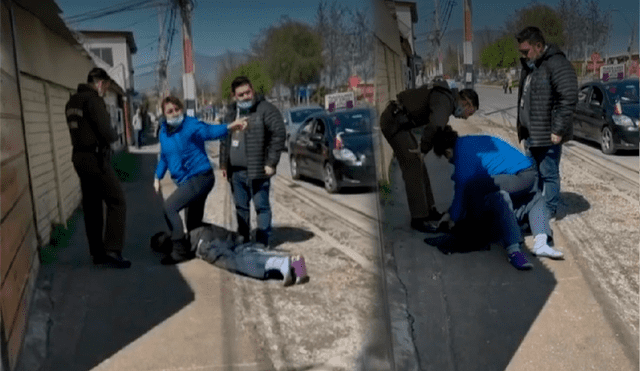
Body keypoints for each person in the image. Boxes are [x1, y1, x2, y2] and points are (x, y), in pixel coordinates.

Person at [431, 127, 564, 271]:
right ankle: (541, 242)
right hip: (530, 176)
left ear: (447, 151)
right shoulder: (467, 142)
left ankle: (514, 250)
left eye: (446, 157)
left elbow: (461, 190)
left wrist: (452, 218)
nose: (449, 160)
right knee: (536, 199)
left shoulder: (462, 156)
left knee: (496, 195)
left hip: (520, 177)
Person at [154, 96, 247, 265]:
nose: (175, 113)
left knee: (170, 207)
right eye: (170, 111)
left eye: (177, 109)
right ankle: (234, 239)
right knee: (193, 225)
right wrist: (157, 176)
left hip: (200, 177)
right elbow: (164, 158)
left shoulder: (190, 124)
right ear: (164, 114)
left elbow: (209, 132)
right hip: (187, 182)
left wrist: (229, 127)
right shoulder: (163, 133)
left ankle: (179, 252)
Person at [379, 80, 479, 233]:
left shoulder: (446, 100)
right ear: (466, 103)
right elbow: (436, 125)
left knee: (419, 162)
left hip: (401, 122)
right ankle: (418, 218)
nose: (466, 118)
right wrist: (424, 147)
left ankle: (429, 210)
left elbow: (441, 129)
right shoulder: (445, 100)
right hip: (393, 122)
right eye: (469, 113)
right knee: (412, 164)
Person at [65, 67, 130, 268]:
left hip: (79, 157)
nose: (104, 91)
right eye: (106, 86)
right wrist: (113, 134)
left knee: (92, 206)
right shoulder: (92, 100)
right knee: (117, 200)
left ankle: (97, 253)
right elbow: (107, 133)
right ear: (100, 83)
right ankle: (112, 249)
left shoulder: (72, 101)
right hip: (95, 158)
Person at [515, 26, 578, 218]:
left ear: (539, 45)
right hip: (531, 134)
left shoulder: (557, 63)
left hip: (547, 136)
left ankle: (549, 211)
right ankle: (535, 207)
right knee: (532, 175)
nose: (524, 56)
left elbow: (568, 97)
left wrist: (558, 129)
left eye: (526, 51)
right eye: (522, 52)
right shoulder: (531, 67)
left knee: (549, 175)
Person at [219, 76, 286, 247]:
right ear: (235, 96)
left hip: (258, 171)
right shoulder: (231, 113)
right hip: (236, 173)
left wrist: (271, 163)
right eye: (241, 95)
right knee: (241, 209)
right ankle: (244, 240)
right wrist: (223, 164)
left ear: (253, 90)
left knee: (261, 207)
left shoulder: (266, 109)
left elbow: (278, 134)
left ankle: (262, 242)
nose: (245, 97)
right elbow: (224, 140)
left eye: (248, 92)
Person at [150, 223, 309, 286]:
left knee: (239, 262)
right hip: (217, 234)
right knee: (247, 249)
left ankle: (283, 264)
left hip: (207, 245)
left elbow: (179, 255)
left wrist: (167, 259)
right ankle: (296, 265)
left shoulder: (175, 242)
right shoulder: (182, 230)